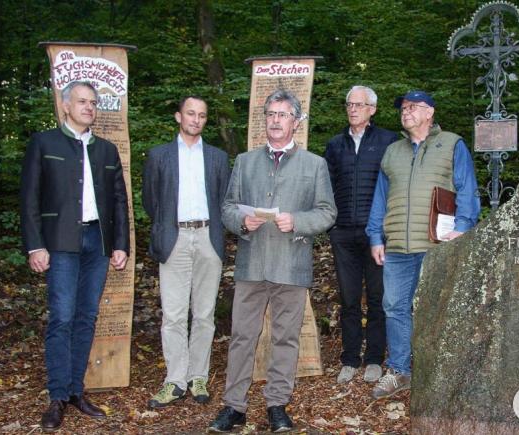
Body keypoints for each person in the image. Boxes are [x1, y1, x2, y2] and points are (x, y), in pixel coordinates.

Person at [208, 89, 337, 433]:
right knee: (242, 337)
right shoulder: (245, 161)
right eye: (270, 114)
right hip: (251, 264)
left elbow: (327, 212)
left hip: (291, 264)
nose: (275, 120)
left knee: (286, 339)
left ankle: (277, 405)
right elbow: (227, 207)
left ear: (295, 122)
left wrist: (297, 221)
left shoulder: (314, 164)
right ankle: (234, 406)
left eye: (282, 115)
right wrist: (241, 221)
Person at [20, 81, 130, 431]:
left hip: (97, 241)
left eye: (93, 103)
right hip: (60, 242)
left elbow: (119, 201)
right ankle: (57, 395)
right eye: (82, 101)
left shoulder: (106, 150)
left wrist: (121, 244)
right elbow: (29, 198)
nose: (88, 107)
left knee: (86, 317)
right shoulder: (44, 143)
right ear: (65, 105)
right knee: (62, 317)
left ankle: (75, 392)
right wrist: (35, 245)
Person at [365, 90, 480, 399]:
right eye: (403, 108)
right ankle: (400, 371)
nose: (406, 112)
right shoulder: (393, 152)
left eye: (413, 107)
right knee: (394, 306)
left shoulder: (452, 144)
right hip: (398, 248)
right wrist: (375, 237)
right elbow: (380, 199)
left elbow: (467, 189)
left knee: (437, 308)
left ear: (430, 112)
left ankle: (442, 372)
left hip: (437, 246)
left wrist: (463, 229)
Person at [142, 96, 230, 408]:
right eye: (190, 113)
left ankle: (198, 376)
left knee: (204, 313)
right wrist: (167, 228)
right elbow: (151, 201)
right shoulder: (159, 156)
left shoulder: (218, 157)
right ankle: (175, 380)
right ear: (179, 116)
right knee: (174, 314)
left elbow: (224, 199)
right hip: (174, 236)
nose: (196, 119)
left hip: (208, 237)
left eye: (202, 115)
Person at [324, 85, 398, 385]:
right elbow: (327, 187)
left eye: (359, 104)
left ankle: (374, 359)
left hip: (377, 234)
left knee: (378, 297)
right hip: (343, 232)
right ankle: (350, 358)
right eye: (349, 104)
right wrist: (331, 225)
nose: (353, 109)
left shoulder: (388, 141)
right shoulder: (334, 145)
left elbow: (396, 186)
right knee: (349, 298)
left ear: (372, 109)